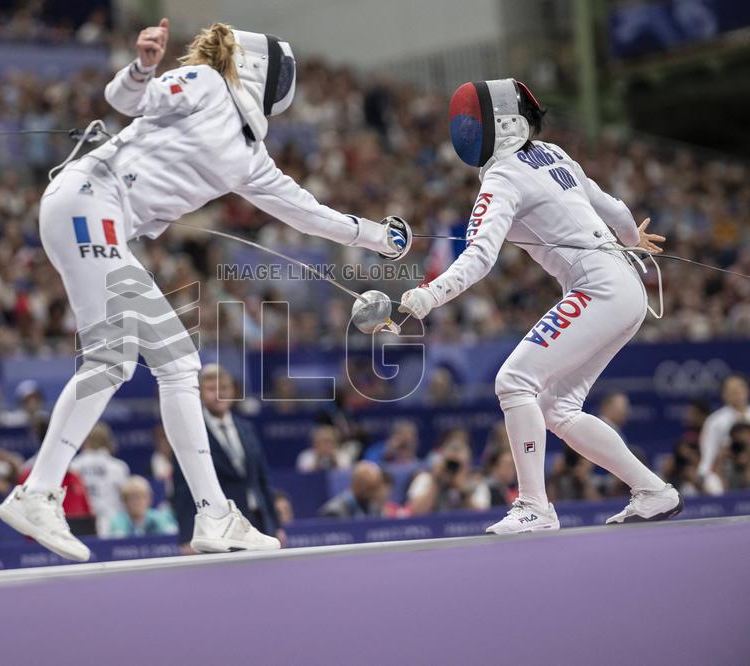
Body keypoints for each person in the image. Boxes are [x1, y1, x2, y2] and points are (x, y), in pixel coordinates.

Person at [0, 18, 411, 561]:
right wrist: (144, 66)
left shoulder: (249, 155)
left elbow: (307, 214)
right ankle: (39, 491)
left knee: (169, 364)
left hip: (91, 216)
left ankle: (213, 515)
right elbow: (128, 98)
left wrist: (378, 237)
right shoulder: (207, 83)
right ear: (262, 71)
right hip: (89, 202)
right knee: (121, 360)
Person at [399, 78, 681, 533]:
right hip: (625, 286)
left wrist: (430, 295)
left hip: (599, 290)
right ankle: (654, 491)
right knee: (557, 409)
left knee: (514, 381)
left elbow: (479, 256)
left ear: (500, 125)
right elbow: (614, 207)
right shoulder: (554, 154)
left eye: (473, 123)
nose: (465, 133)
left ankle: (534, 505)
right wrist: (633, 239)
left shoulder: (503, 175)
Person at [173, 364, 284, 550]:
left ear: (233, 391)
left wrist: (276, 525)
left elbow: (262, 480)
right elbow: (184, 487)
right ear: (200, 393)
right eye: (211, 389)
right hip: (222, 527)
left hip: (258, 520)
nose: (219, 394)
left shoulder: (246, 428)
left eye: (224, 388)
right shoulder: (192, 433)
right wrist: (186, 536)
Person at [68, 422, 130, 536]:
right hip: (112, 522)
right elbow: (126, 497)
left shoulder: (73, 466)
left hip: (80, 524)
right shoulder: (117, 467)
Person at [698, 374, 750, 490]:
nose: (737, 392)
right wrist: (706, 474)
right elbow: (708, 455)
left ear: (747, 390)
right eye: (731, 390)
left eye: (740, 388)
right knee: (713, 483)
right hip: (724, 467)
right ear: (724, 394)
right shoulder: (715, 421)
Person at [107, 476, 178, 538]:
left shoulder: (161, 518)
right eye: (132, 498)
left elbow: (172, 536)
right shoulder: (117, 521)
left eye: (142, 497)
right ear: (124, 501)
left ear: (149, 499)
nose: (137, 502)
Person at [319, 461, 386, 519]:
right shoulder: (333, 513)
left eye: (376, 488)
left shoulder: (375, 507)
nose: (374, 493)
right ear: (355, 484)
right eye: (370, 488)